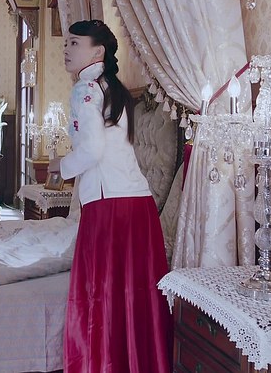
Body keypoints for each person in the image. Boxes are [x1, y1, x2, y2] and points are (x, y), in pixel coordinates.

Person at [48, 19, 173, 372]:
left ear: (97, 52)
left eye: (75, 43)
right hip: (137, 204)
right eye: (66, 43)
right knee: (134, 296)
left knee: (100, 295)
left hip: (110, 207)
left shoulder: (85, 89)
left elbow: (92, 150)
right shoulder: (110, 87)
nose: (66, 49)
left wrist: (60, 165)